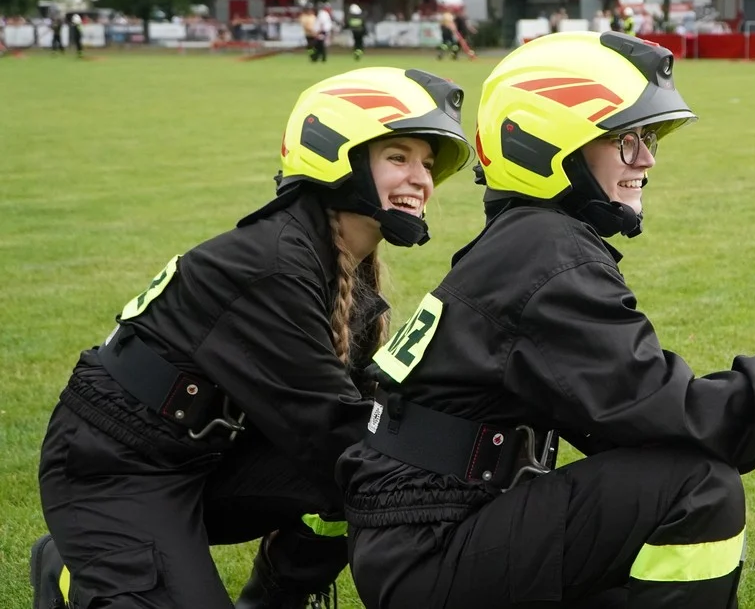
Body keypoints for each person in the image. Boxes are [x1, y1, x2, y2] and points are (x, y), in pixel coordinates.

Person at [336, 31, 755, 609]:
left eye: (649, 138)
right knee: (699, 488)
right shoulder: (544, 254)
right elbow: (663, 405)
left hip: (422, 540)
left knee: (675, 500)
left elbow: (631, 424)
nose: (647, 159)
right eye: (627, 139)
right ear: (550, 146)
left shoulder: (527, 244)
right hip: (427, 554)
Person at [30, 67, 473, 609]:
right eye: (398, 158)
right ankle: (70, 568)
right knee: (360, 458)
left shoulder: (336, 259)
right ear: (337, 155)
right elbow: (333, 430)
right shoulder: (276, 266)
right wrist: (465, 468)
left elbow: (363, 421)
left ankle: (273, 599)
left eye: (427, 164)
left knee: (347, 478)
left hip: (210, 451)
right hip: (115, 465)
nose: (421, 179)